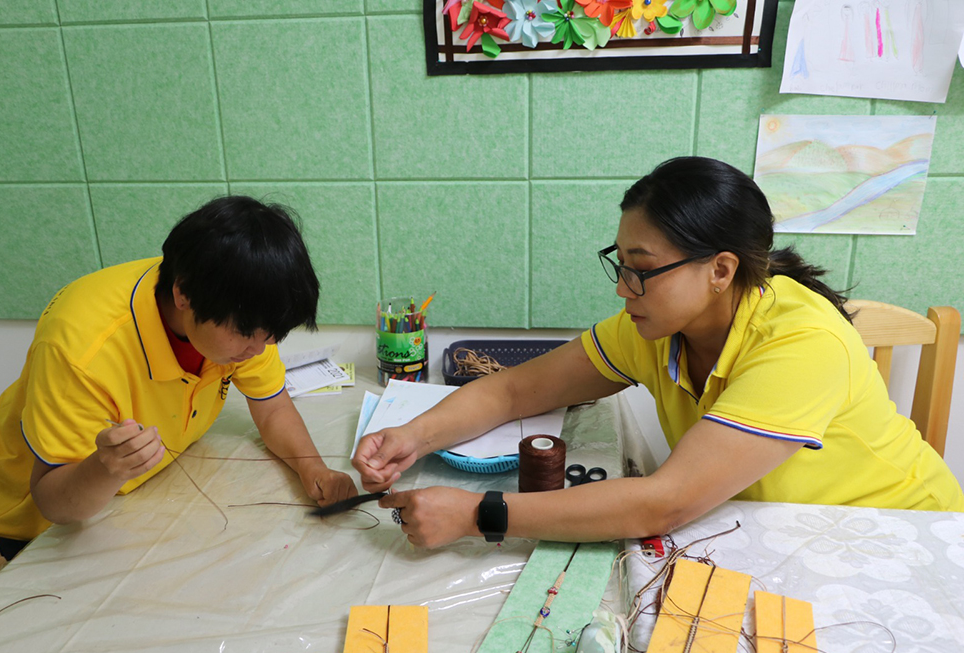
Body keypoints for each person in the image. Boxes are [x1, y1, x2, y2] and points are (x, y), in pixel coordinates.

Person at [352, 156, 964, 549]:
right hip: (778, 532)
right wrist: (415, 435)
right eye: (619, 265)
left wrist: (478, 514)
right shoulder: (651, 327)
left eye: (642, 270)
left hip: (904, 535)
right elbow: (515, 389)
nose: (623, 288)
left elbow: (665, 503)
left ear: (721, 269)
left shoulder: (802, 342)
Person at [0, 195, 356, 560]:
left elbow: (272, 408)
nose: (259, 349)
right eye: (248, 334)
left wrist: (314, 470)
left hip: (135, 497)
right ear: (182, 294)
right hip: (44, 519)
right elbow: (51, 500)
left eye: (272, 335)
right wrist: (104, 467)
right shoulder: (81, 349)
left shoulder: (239, 304)